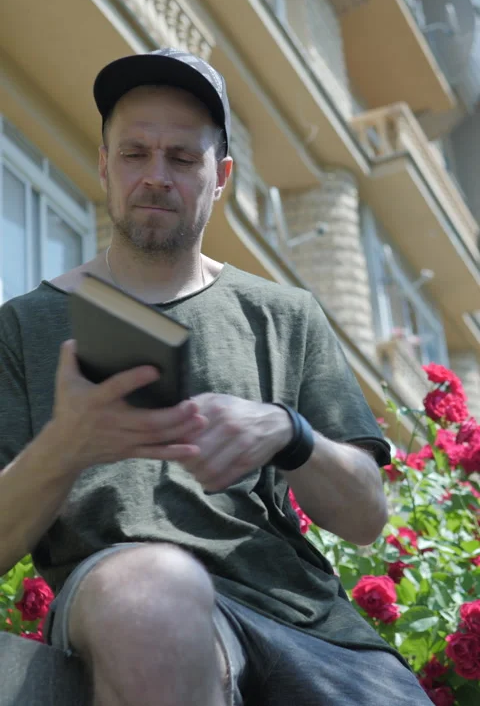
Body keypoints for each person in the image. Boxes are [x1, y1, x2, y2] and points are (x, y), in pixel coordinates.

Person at [0, 49, 432, 706]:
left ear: (221, 175)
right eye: (135, 152)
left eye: (182, 158)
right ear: (103, 165)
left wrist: (290, 433)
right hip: (131, 596)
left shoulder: (286, 315)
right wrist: (67, 446)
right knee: (153, 594)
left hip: (310, 628)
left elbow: (368, 515)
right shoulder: (23, 326)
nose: (155, 176)